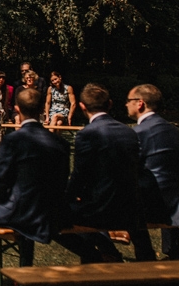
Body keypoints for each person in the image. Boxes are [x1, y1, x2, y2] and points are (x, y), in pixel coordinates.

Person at [0, 88, 71, 286]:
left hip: (21, 211)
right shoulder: (60, 143)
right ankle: (22, 273)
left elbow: (2, 179)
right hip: (50, 210)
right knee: (25, 207)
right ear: (42, 110)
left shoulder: (14, 140)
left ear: (17, 109)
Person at [54, 83, 147, 263]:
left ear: (82, 106)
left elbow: (80, 175)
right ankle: (108, 251)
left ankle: (94, 256)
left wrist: (67, 199)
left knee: (52, 219)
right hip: (130, 206)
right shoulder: (129, 132)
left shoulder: (87, 134)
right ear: (110, 104)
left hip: (101, 208)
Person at [126, 84, 179, 260]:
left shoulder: (138, 132)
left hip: (149, 203)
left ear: (140, 103)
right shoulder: (175, 131)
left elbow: (130, 168)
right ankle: (172, 253)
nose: (126, 104)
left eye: (129, 101)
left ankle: (145, 256)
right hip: (177, 203)